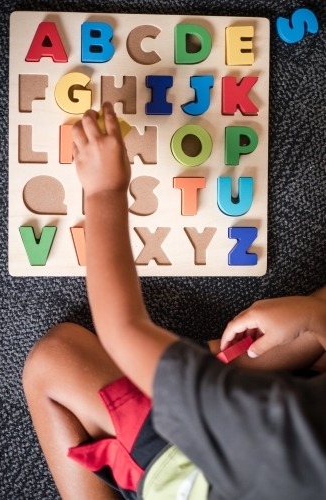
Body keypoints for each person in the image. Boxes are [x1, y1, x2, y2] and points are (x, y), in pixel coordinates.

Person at [22, 102, 326, 500]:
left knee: (52, 360)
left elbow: (125, 330)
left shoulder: (258, 437)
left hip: (179, 458)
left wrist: (104, 191)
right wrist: (314, 314)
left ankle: (214, 371)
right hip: (263, 443)